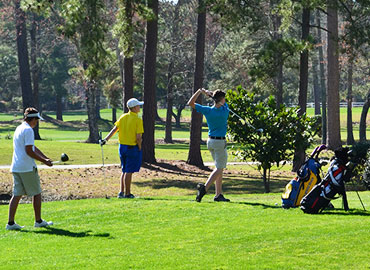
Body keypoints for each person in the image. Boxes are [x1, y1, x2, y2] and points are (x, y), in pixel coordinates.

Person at [6, 108, 54, 230]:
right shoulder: (28, 130)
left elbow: (32, 147)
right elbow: (29, 151)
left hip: (16, 167)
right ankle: (38, 221)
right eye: (37, 120)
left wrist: (45, 158)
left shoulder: (20, 128)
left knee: (16, 195)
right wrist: (43, 161)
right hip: (27, 168)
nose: (37, 123)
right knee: (37, 193)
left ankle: (10, 223)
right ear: (33, 119)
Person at [188, 88, 230, 202]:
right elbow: (223, 104)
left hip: (210, 142)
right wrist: (211, 95)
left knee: (218, 169)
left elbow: (190, 103)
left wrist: (200, 92)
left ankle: (218, 195)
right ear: (221, 100)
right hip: (219, 142)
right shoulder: (225, 110)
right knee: (219, 168)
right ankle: (204, 189)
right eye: (224, 99)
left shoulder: (207, 110)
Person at [100, 98, 144, 199]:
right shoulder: (138, 120)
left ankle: (121, 192)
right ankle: (127, 194)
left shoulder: (123, 117)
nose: (139, 107)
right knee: (129, 171)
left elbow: (115, 129)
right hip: (132, 147)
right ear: (134, 108)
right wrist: (140, 147)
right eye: (138, 106)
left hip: (122, 147)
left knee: (124, 170)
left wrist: (105, 139)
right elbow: (138, 137)